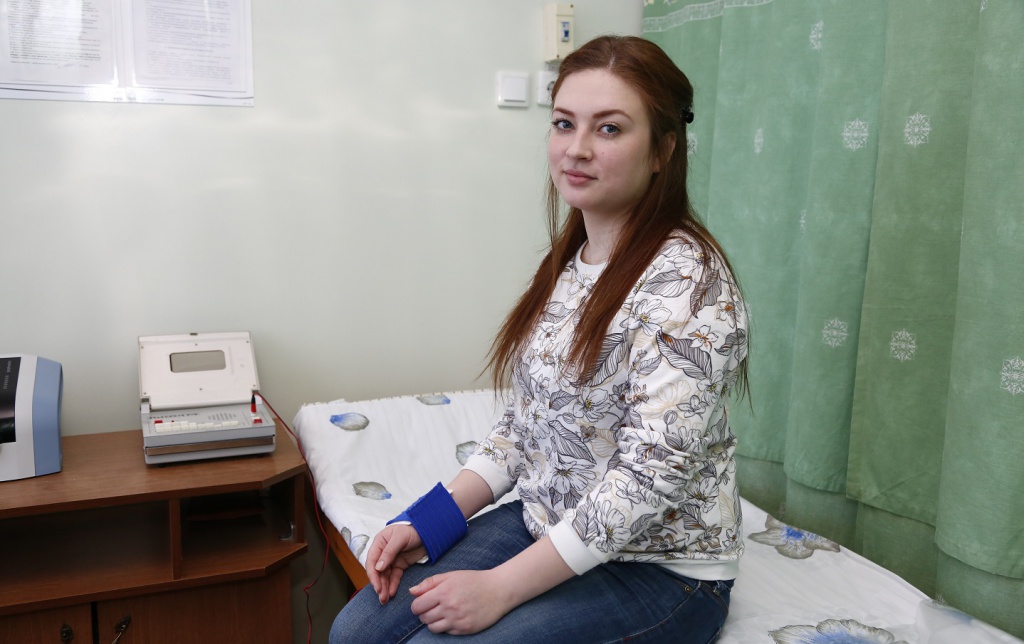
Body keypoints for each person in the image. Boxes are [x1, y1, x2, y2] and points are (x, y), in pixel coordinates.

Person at [329, 34, 749, 644]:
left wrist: (499, 589)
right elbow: (522, 428)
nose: (576, 148)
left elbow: (647, 478)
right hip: (547, 522)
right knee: (355, 632)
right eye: (563, 123)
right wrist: (429, 521)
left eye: (609, 129)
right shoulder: (573, 264)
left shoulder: (691, 282)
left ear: (663, 149)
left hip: (659, 569)